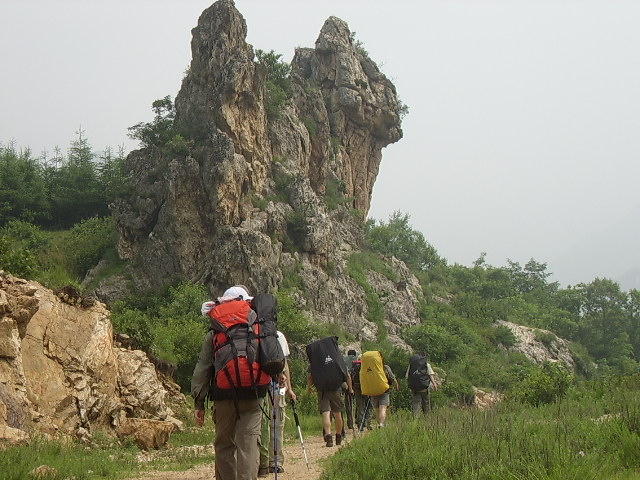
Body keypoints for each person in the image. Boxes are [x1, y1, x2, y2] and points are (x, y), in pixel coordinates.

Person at [192, 285, 268, 480]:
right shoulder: (257, 325)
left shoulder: (216, 331)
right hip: (253, 393)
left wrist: (199, 402)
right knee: (249, 444)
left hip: (223, 395)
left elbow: (203, 367)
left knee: (225, 444)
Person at [258, 330, 297, 478]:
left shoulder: (252, 333)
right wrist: (289, 389)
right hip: (277, 386)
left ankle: (260, 461)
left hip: (258, 387)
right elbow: (284, 366)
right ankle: (275, 462)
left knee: (259, 423)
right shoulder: (278, 335)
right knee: (277, 423)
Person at [306, 338, 353, 447]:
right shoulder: (336, 358)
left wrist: (309, 388)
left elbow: (310, 376)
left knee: (326, 413)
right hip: (336, 389)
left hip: (322, 390)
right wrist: (350, 389)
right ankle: (338, 436)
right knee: (338, 413)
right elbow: (347, 375)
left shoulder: (317, 360)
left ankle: (328, 436)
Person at [368, 359, 399, 428]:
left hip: (373, 391)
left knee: (377, 410)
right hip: (384, 391)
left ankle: (379, 423)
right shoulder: (385, 367)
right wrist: (396, 387)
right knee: (383, 408)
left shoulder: (371, 368)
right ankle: (381, 424)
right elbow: (393, 378)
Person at [406, 353, 438, 417]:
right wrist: (434, 384)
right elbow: (430, 375)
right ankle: (427, 417)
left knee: (416, 403)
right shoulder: (426, 364)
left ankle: (415, 418)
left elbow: (407, 376)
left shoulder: (411, 365)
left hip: (415, 388)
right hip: (424, 387)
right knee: (426, 403)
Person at [342, 349, 358, 433]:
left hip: (345, 384)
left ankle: (350, 423)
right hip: (356, 384)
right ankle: (358, 420)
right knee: (359, 402)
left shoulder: (343, 360)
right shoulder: (357, 359)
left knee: (348, 403)